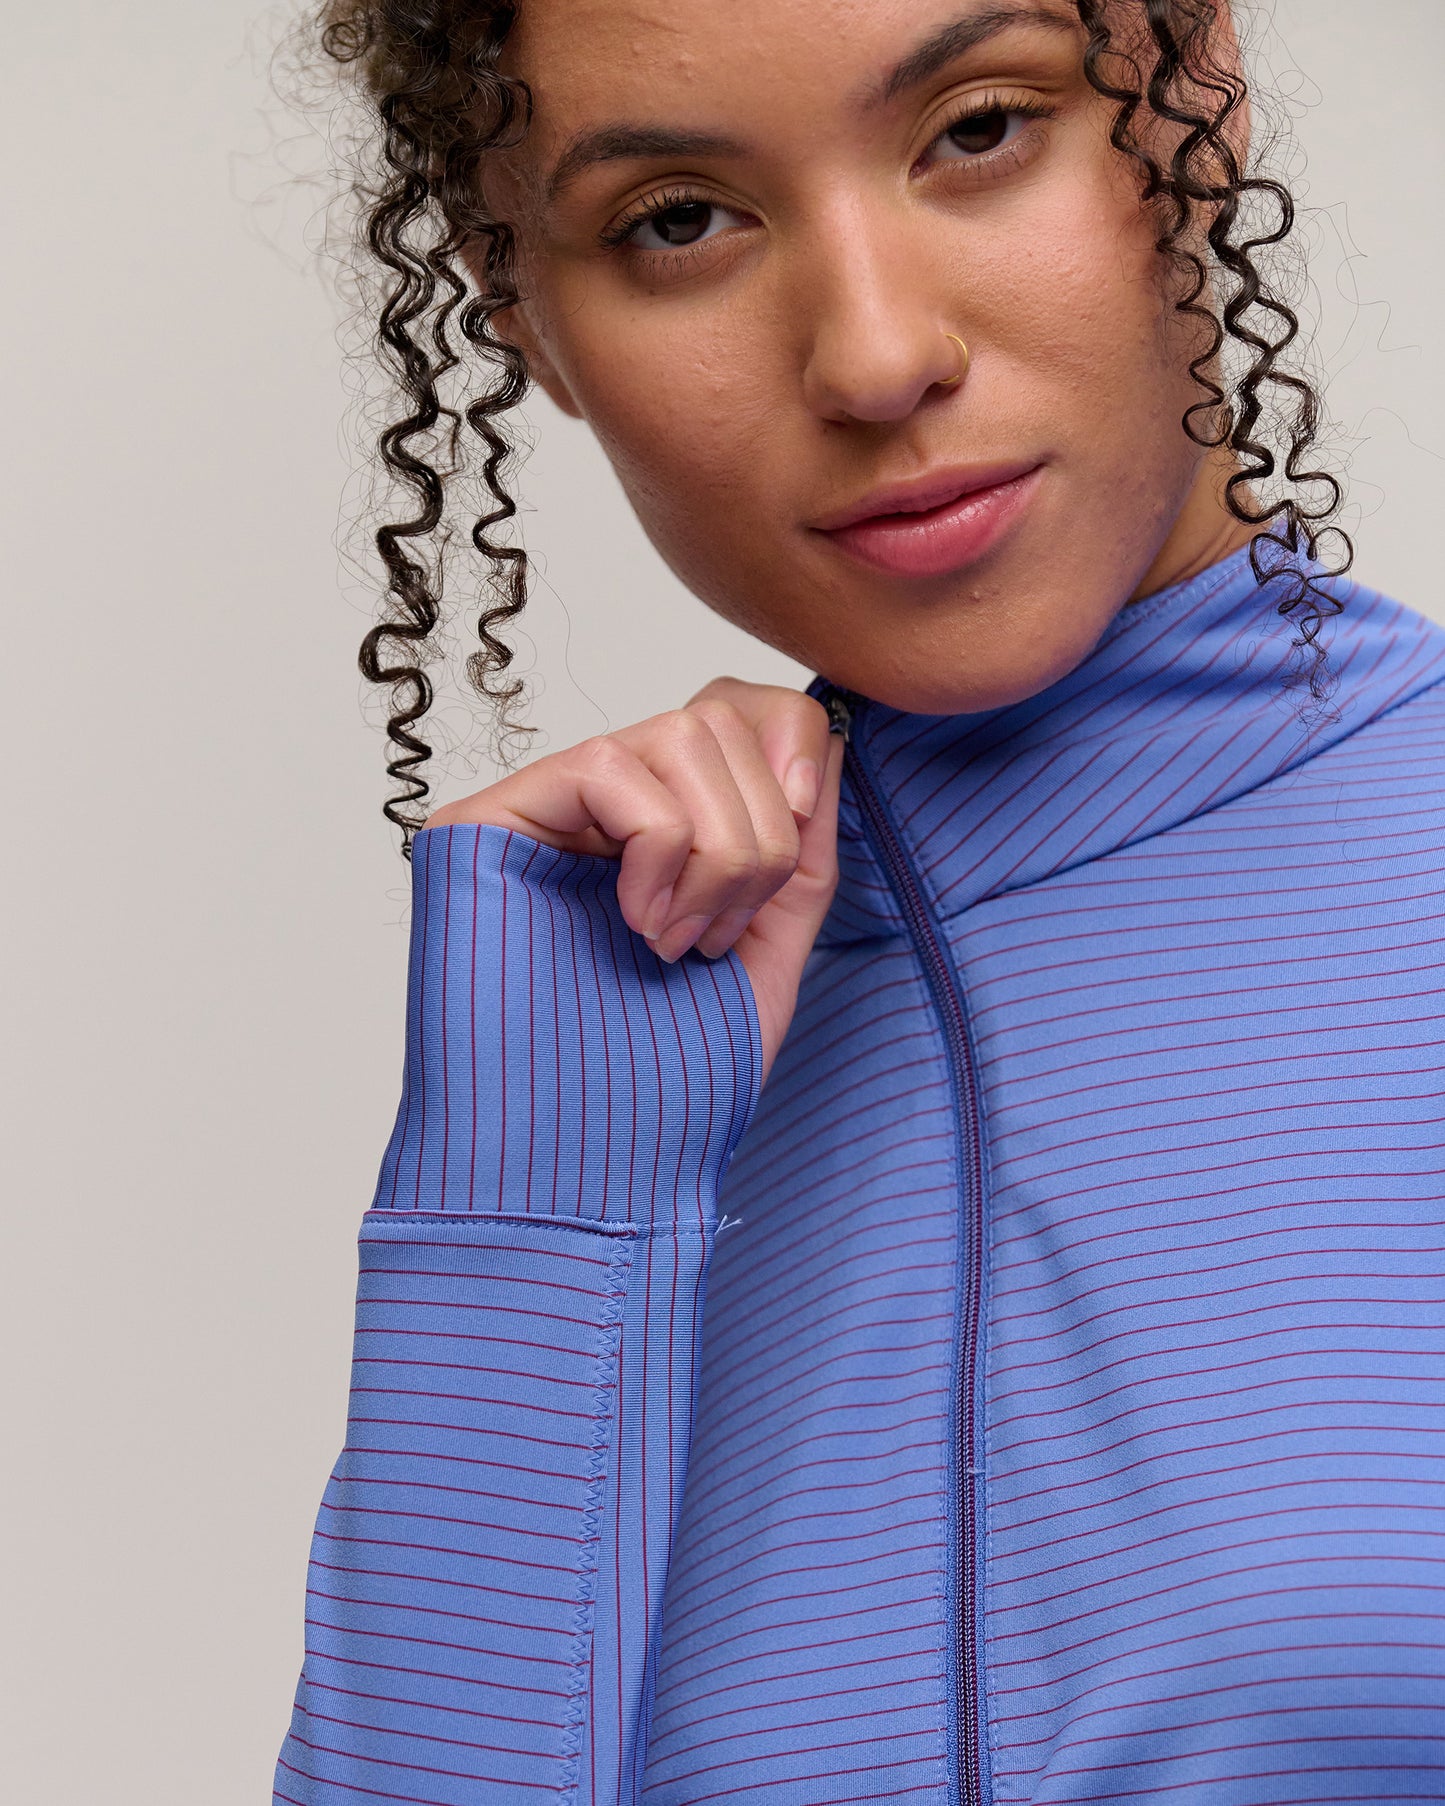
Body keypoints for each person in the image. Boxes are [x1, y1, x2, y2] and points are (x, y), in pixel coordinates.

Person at [274, 2, 1445, 1801]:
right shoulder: (620, 1058)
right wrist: (536, 1199)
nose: (878, 354)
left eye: (977, 130)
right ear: (521, 310)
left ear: (1189, 89)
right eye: (677, 220)